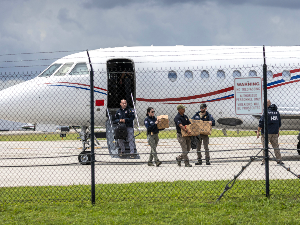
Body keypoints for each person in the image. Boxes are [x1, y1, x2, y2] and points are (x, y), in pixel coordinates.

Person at [257, 99, 283, 165]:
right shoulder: (277, 113)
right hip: (274, 132)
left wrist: (258, 131)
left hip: (266, 133)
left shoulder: (266, 112)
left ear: (267, 104)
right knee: (276, 147)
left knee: (265, 147)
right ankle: (279, 160)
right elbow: (279, 124)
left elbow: (261, 122)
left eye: (263, 104)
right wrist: (277, 131)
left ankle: (265, 160)